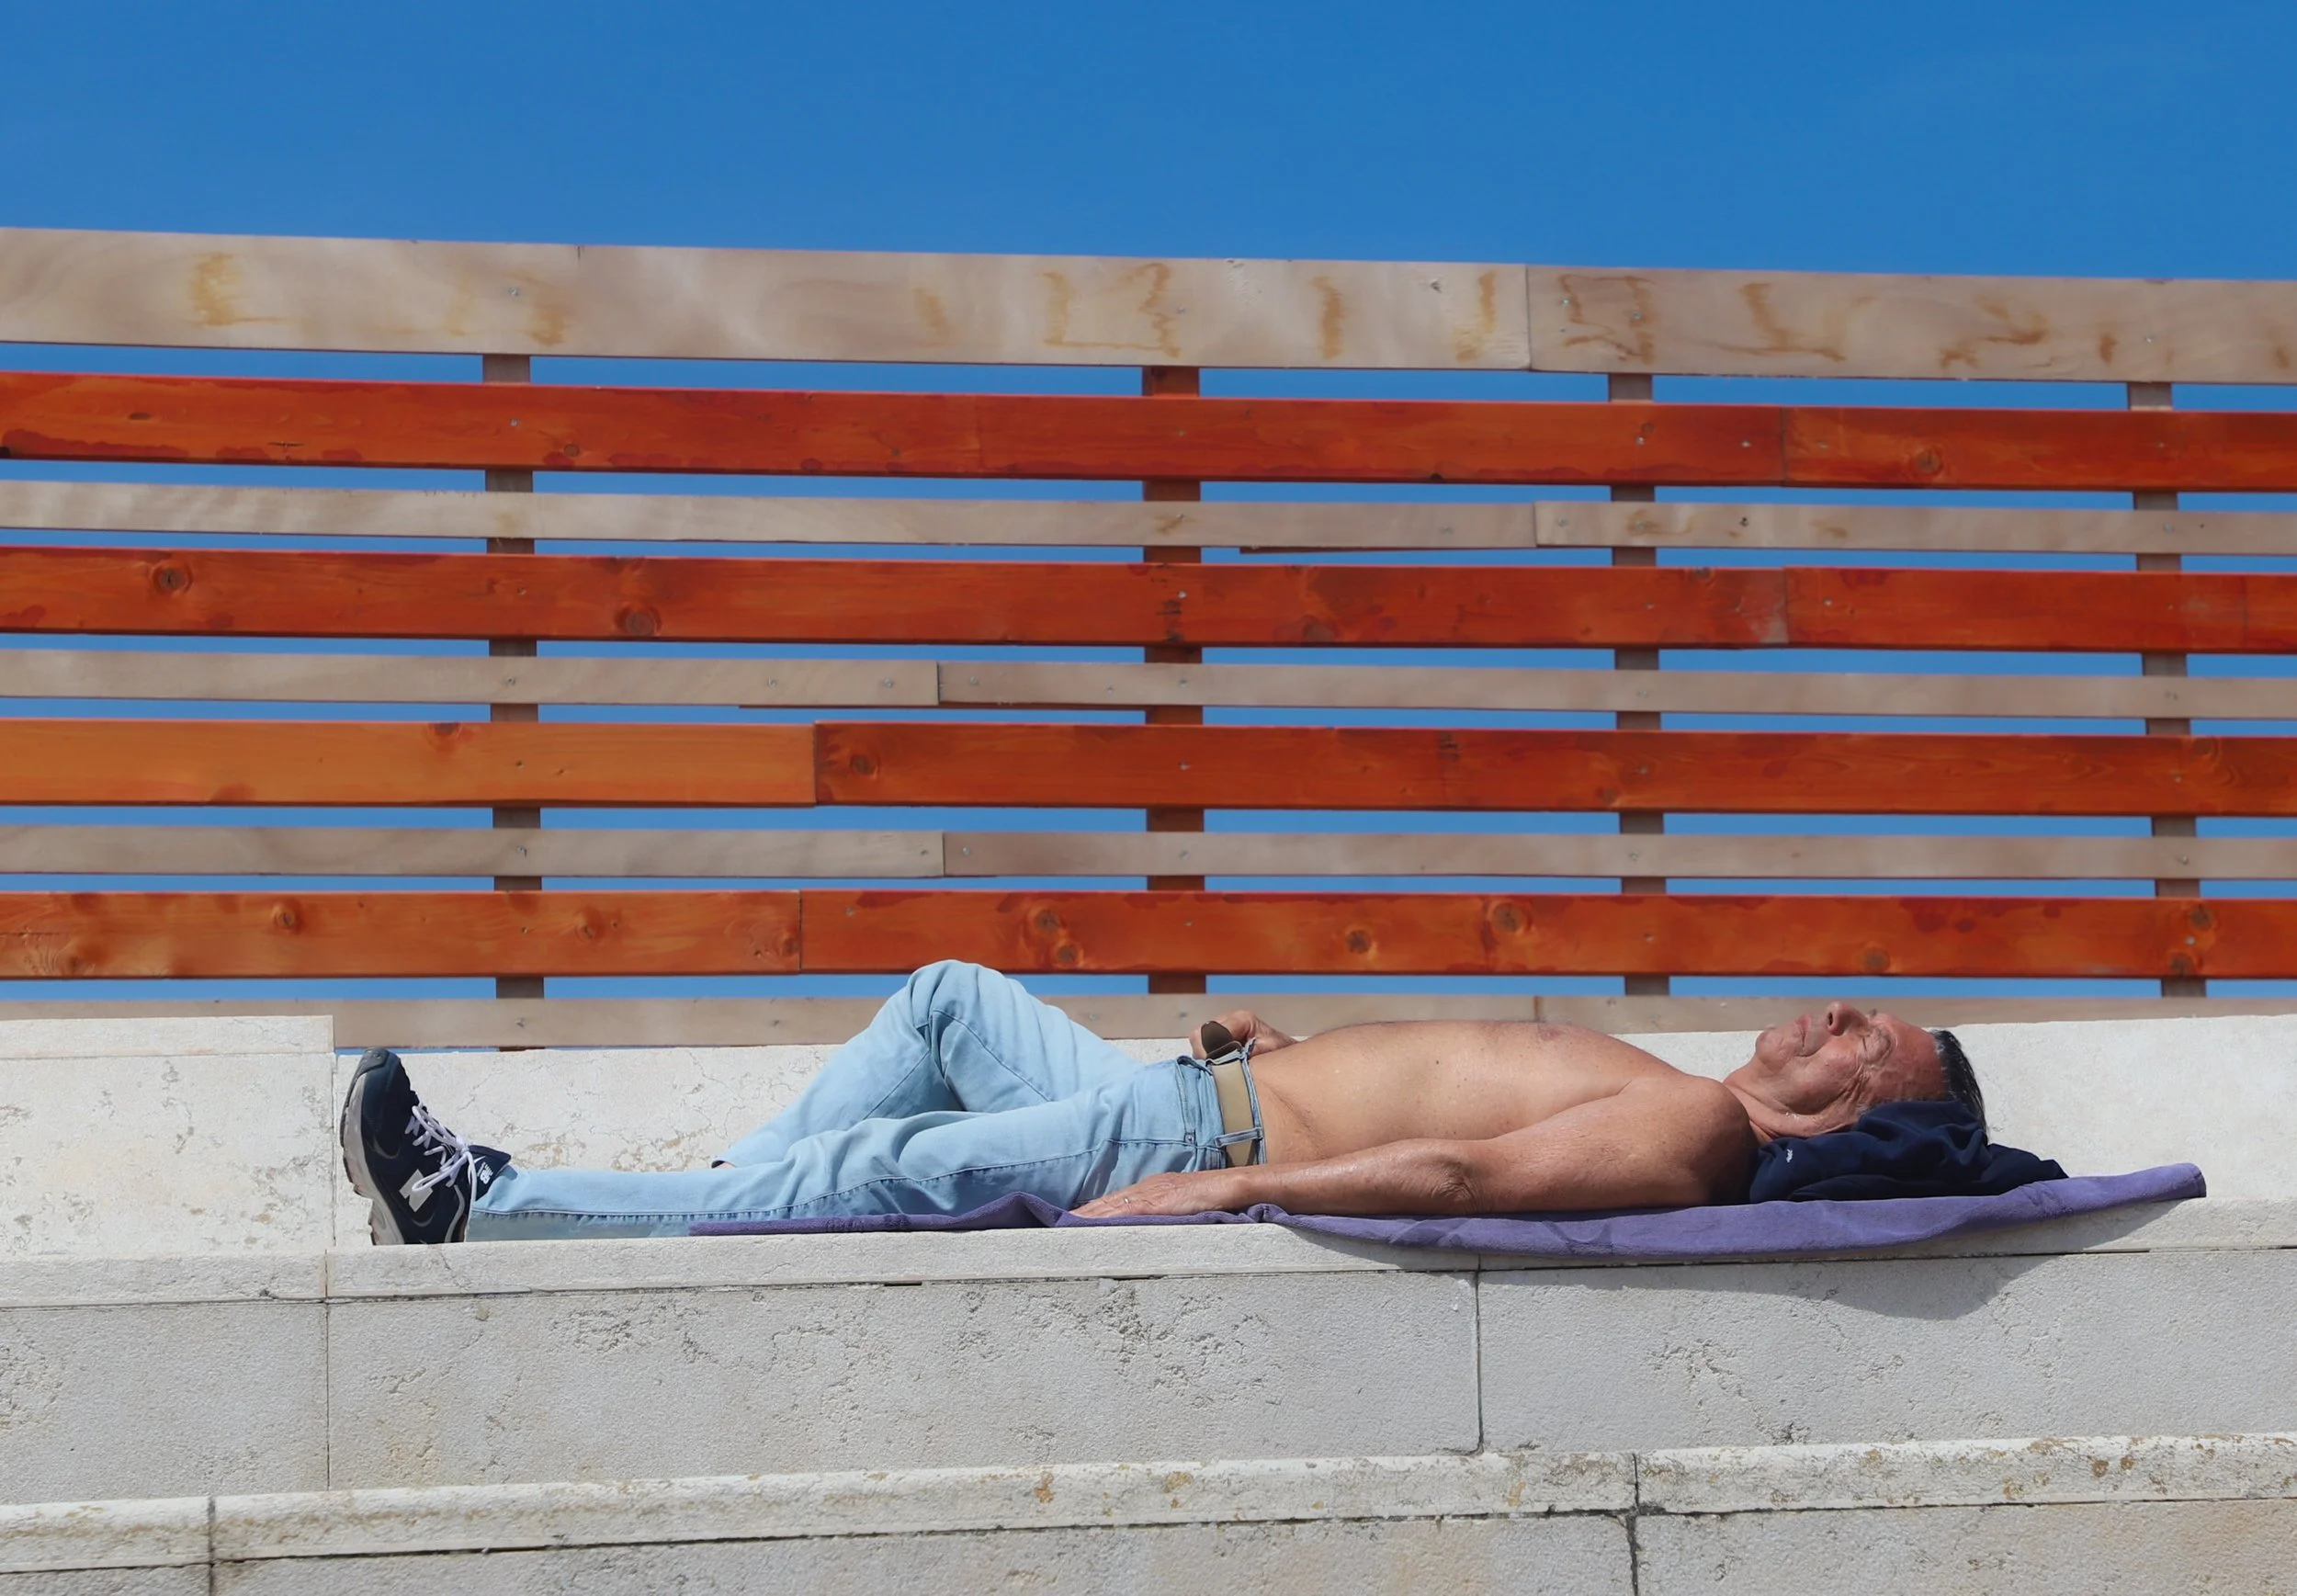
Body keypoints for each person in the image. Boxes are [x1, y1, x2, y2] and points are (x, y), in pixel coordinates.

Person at [341, 959, 1982, 1246]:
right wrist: (1263, 1056)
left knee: (880, 1163)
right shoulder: (1679, 1080)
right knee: (947, 1004)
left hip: (1203, 1144)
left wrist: (1230, 1181)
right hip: (1208, 1094)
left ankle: (488, 1200)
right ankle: (712, 1205)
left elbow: (1466, 1173)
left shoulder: (1695, 1135)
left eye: (1870, 1041)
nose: (1837, 1010)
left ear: (1856, 1120)